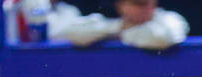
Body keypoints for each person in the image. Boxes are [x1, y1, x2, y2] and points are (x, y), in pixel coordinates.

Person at [22, 0, 188, 50]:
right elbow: (73, 34)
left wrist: (124, 34)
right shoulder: (111, 24)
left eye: (150, 3)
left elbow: (164, 36)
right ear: (121, 6)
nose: (147, 9)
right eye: (139, 4)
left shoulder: (169, 19)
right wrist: (117, 28)